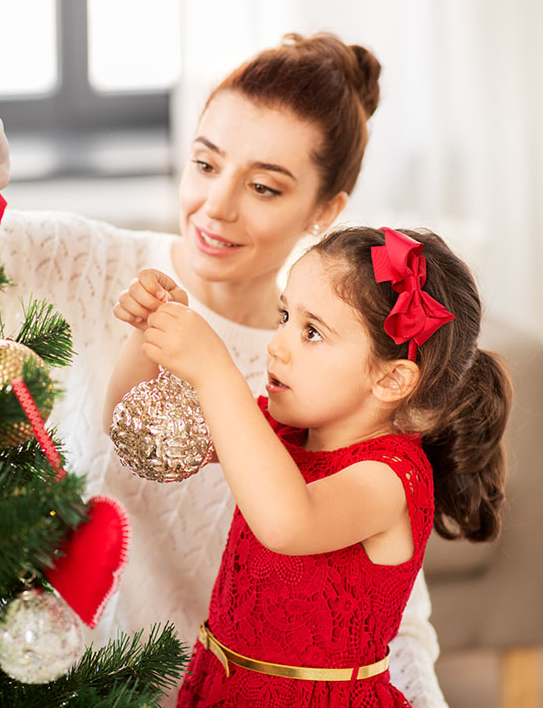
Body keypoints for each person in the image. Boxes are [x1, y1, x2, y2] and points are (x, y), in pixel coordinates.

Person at [0, 33, 449, 707]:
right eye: (204, 163)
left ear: (324, 210)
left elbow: (385, 613)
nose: (217, 206)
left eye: (262, 187)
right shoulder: (82, 259)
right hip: (9, 675)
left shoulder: (316, 386)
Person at [104, 226, 511, 707]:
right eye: (284, 315)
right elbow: (134, 430)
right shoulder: (279, 433)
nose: (277, 344)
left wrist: (216, 372)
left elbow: (287, 522)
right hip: (219, 687)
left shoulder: (390, 479)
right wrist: (147, 335)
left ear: (390, 378)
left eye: (311, 331)